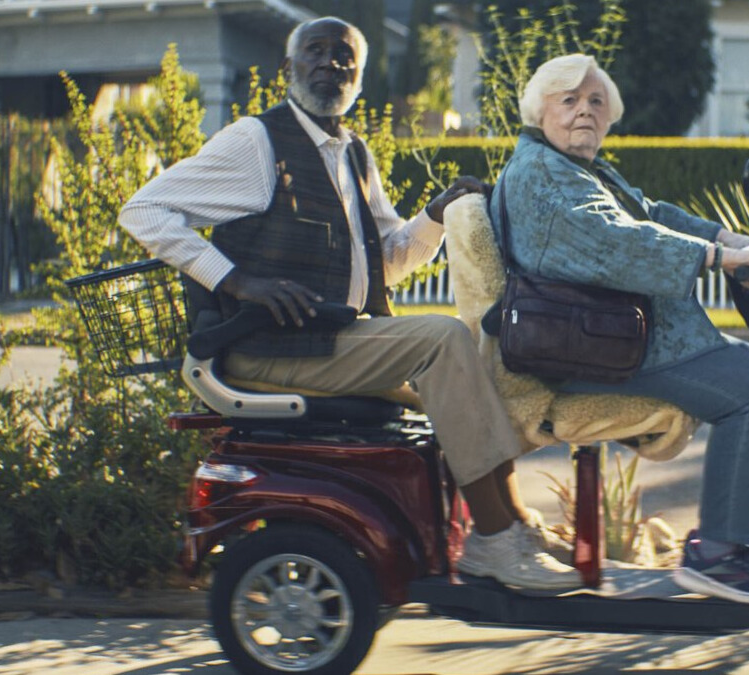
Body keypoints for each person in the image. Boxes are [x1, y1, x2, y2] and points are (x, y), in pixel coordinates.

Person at [120, 17, 579, 591]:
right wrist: (237, 281)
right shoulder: (255, 142)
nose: (331, 64)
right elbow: (143, 211)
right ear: (288, 70)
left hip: (325, 340)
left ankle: (512, 526)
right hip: (268, 347)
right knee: (442, 341)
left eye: (345, 57)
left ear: (359, 78)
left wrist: (435, 215)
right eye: (316, 51)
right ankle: (493, 541)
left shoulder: (353, 153)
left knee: (476, 372)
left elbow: (384, 260)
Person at [490, 54, 749, 604]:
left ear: (608, 119)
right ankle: (719, 555)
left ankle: (739, 544)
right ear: (540, 111)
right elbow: (614, 241)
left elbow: (649, 214)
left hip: (617, 336)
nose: (584, 111)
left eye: (595, 102)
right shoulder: (541, 175)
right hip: (591, 348)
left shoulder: (578, 168)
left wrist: (734, 240)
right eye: (569, 100)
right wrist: (716, 258)